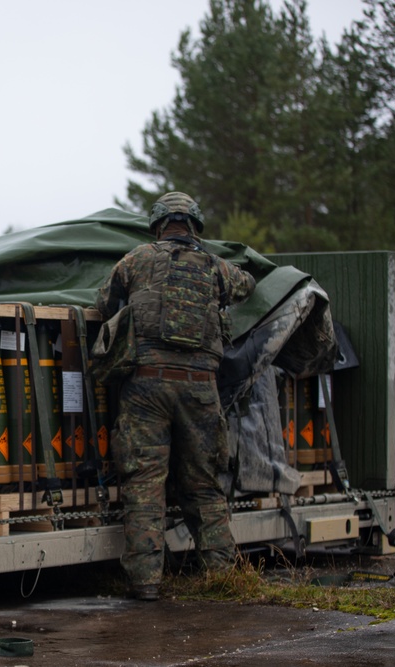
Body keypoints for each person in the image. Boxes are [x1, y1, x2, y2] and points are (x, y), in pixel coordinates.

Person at [95, 191, 256, 601]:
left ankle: (146, 583)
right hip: (200, 387)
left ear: (158, 224)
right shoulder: (217, 268)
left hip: (146, 386)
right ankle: (223, 576)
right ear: (195, 225)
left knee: (145, 483)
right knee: (204, 484)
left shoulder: (136, 260)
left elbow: (103, 301)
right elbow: (248, 285)